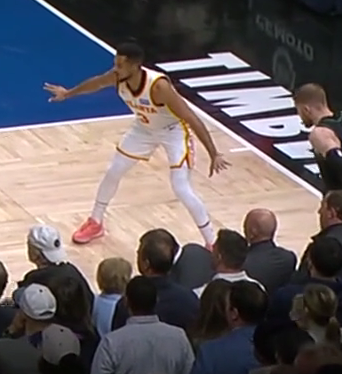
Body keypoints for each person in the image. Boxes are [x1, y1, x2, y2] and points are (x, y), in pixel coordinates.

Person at [46, 41, 229, 246]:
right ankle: (96, 222)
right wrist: (68, 93)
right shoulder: (117, 76)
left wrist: (214, 153)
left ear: (135, 66)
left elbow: (191, 117)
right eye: (115, 63)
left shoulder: (158, 86)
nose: (116, 69)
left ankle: (211, 242)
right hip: (144, 128)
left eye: (120, 65)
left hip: (173, 132)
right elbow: (96, 83)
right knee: (114, 170)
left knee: (181, 187)